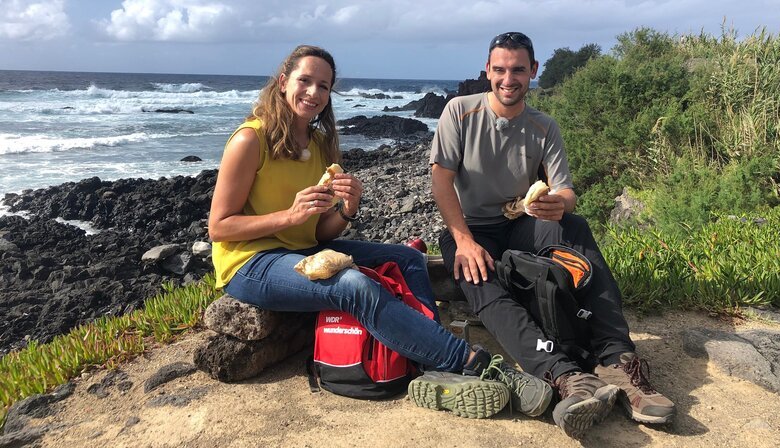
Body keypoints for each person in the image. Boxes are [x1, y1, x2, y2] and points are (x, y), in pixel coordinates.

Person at [208, 44, 551, 419]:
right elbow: (220, 227)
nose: (314, 93)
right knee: (352, 285)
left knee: (406, 258)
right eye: (305, 81)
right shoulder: (250, 139)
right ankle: (475, 365)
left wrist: (347, 211)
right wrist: (289, 217)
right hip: (250, 264)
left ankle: (430, 360)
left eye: (324, 86)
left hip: (302, 251)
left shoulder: (320, 143)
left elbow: (321, 235)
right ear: (283, 81)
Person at [429, 32, 676, 437]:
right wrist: (463, 240)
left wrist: (559, 205)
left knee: (574, 226)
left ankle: (617, 360)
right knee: (477, 276)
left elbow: (566, 192)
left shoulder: (543, 126)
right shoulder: (460, 111)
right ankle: (564, 375)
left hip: (522, 222)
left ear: (534, 72)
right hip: (472, 228)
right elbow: (441, 182)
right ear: (488, 71)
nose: (509, 79)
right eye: (500, 70)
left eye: (519, 70)